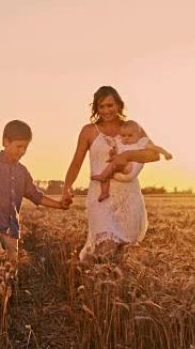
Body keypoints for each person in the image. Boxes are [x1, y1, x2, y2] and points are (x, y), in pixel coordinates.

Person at [62, 86, 160, 261]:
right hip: (101, 196)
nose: (106, 110)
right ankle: (94, 283)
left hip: (128, 197)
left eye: (110, 105)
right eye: (101, 106)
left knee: (120, 254)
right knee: (105, 247)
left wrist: (128, 155)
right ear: (96, 109)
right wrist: (66, 188)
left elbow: (154, 155)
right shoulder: (89, 131)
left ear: (119, 105)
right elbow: (76, 163)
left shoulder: (132, 128)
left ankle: (103, 286)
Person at [0, 120, 69, 261]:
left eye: (25, 147)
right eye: (19, 146)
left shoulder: (22, 172)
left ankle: (1, 282)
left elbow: (36, 196)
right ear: (5, 142)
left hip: (11, 228)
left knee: (11, 268)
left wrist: (60, 205)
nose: (22, 151)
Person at [91, 120, 172, 202]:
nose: (126, 138)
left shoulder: (141, 143)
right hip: (119, 172)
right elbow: (117, 155)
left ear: (138, 135)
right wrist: (113, 154)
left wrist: (166, 153)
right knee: (107, 171)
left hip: (130, 169)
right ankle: (104, 192)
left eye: (130, 135)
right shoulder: (121, 145)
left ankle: (104, 175)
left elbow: (156, 148)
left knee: (112, 167)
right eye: (123, 135)